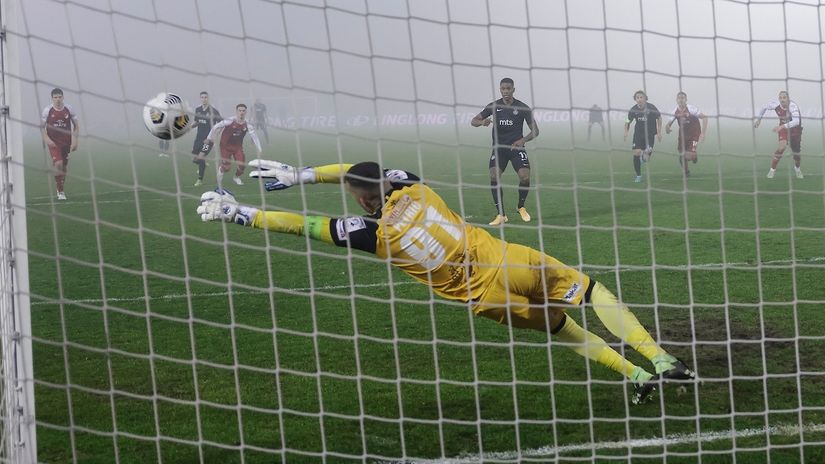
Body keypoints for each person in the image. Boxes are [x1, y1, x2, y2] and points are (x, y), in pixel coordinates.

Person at [200, 159, 697, 405]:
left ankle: (633, 377)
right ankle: (658, 357)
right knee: (591, 292)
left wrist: (243, 213)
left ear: (360, 198)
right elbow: (361, 169)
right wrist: (306, 175)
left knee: (560, 329)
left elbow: (304, 227)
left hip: (484, 298)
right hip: (506, 258)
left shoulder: (375, 235)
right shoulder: (416, 185)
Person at [471, 78, 539, 225]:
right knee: (494, 175)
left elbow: (535, 131)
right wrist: (482, 122)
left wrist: (523, 140)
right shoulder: (494, 106)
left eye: (509, 88)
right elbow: (473, 121)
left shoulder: (523, 108)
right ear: (500, 90)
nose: (506, 91)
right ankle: (501, 215)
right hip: (499, 149)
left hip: (516, 148)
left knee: (525, 176)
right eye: (503, 89)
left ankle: (521, 207)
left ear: (513, 89)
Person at [200, 103, 262, 186]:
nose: (241, 112)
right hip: (225, 146)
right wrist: (209, 138)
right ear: (236, 111)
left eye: (243, 111)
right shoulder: (229, 121)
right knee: (227, 168)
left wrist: (259, 149)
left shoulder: (248, 125)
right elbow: (216, 127)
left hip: (237, 147)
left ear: (245, 112)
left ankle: (236, 177)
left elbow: (254, 137)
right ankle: (221, 169)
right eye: (240, 110)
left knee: (242, 165)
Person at [754, 91, 803, 179]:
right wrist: (759, 119)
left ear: (788, 98)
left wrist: (782, 126)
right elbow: (764, 107)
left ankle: (797, 169)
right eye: (780, 98)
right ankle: (772, 170)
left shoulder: (793, 106)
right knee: (781, 147)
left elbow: (796, 121)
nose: (782, 99)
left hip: (795, 131)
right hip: (783, 129)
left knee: (796, 154)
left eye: (784, 97)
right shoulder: (775, 104)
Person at [41, 88, 79, 201]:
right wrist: (46, 139)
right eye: (55, 97)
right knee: (58, 163)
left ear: (63, 97)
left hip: (66, 142)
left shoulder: (69, 109)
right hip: (53, 142)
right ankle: (60, 191)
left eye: (59, 97)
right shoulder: (47, 110)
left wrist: (75, 140)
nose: (57, 99)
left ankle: (61, 186)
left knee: (64, 167)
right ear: (52, 98)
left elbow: (76, 126)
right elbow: (41, 127)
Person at [665, 92, 708, 177]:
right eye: (679, 98)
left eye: (683, 98)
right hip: (683, 136)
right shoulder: (675, 111)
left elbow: (705, 117)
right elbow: (668, 125)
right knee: (682, 155)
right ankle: (686, 172)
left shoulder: (691, 109)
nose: (681, 100)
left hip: (694, 134)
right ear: (676, 100)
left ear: (686, 99)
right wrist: (667, 129)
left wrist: (703, 133)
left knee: (688, 156)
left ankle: (694, 156)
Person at [624, 91, 662, 183]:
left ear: (645, 98)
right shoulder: (633, 109)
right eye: (638, 97)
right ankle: (638, 175)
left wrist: (659, 132)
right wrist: (626, 132)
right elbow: (627, 121)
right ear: (635, 99)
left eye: (641, 97)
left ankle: (643, 158)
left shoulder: (651, 107)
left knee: (646, 159)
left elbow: (659, 118)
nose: (640, 99)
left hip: (650, 135)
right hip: (638, 134)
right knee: (636, 152)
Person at [192, 91, 223, 186]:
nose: (204, 99)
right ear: (200, 99)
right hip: (198, 138)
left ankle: (200, 180)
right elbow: (197, 122)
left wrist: (213, 137)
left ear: (208, 99)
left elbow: (221, 124)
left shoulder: (213, 111)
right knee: (195, 159)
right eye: (202, 97)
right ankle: (203, 164)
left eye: (206, 97)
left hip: (208, 140)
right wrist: (189, 127)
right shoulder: (197, 110)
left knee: (201, 157)